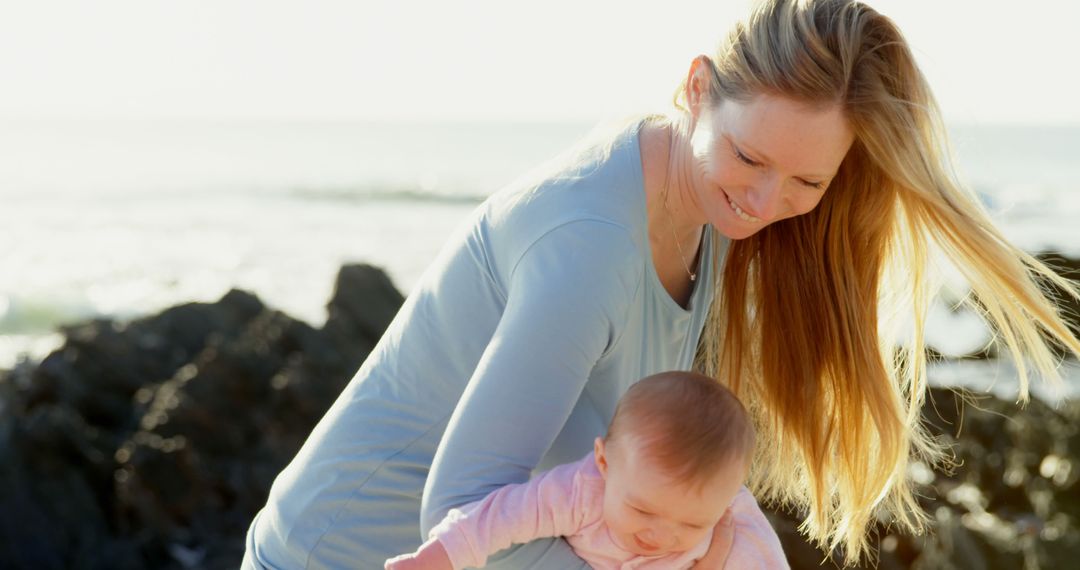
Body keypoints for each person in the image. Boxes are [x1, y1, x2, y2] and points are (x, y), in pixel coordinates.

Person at [243, 0, 1080, 567]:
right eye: (750, 156)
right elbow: (457, 507)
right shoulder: (592, 249)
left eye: (806, 183)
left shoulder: (704, 211)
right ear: (696, 89)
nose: (764, 202)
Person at [384, 371, 785, 570]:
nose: (660, 535)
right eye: (643, 510)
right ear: (604, 463)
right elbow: (500, 517)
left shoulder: (734, 521)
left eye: (694, 525)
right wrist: (431, 559)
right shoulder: (579, 492)